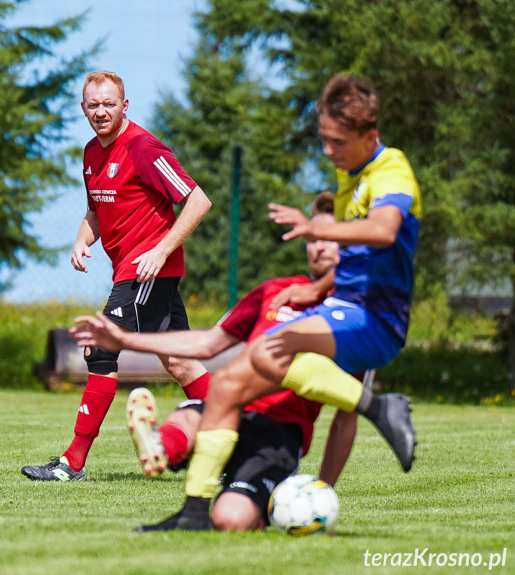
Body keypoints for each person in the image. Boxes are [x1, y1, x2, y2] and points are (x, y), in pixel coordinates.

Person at [117, 73, 421, 530]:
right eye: (323, 139)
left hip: (374, 316)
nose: (327, 151)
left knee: (268, 348)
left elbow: (383, 231)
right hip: (341, 305)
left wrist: (315, 227)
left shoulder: (391, 169)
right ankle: (194, 513)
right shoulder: (348, 174)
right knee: (228, 385)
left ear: (369, 137)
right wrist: (317, 289)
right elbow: (356, 258)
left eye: (337, 141)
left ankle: (379, 407)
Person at [73, 197, 369, 531]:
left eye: (331, 239)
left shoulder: (355, 319)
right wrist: (125, 340)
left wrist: (323, 490)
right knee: (193, 412)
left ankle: (247, 502)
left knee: (230, 520)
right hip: (229, 406)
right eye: (314, 238)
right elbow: (207, 343)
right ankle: (161, 448)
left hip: (278, 434)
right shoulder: (274, 291)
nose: (319, 248)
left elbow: (346, 420)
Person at [21, 71, 213, 481]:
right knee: (180, 363)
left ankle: (71, 464)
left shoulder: (144, 148)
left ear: (125, 106)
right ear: (84, 109)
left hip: (148, 272)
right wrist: (80, 240)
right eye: (94, 105)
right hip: (130, 271)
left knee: (100, 349)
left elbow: (198, 200)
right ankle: (236, 442)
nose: (101, 111)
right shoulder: (91, 152)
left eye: (109, 103)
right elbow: (96, 211)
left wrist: (161, 251)